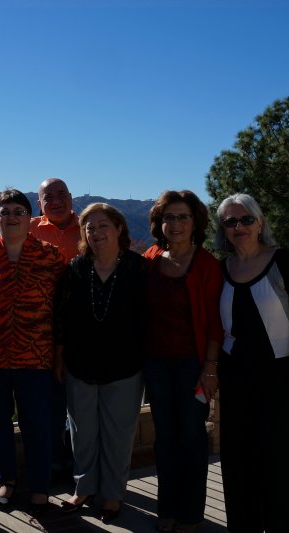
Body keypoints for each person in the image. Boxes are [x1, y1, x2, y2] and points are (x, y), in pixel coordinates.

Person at [215, 193, 289, 532]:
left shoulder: (280, 260)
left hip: (277, 376)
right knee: (237, 462)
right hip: (234, 376)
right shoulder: (221, 269)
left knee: (276, 464)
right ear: (223, 229)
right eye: (230, 221)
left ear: (260, 223)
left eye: (246, 219)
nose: (239, 226)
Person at [0, 188, 65, 512]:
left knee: (38, 424)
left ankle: (39, 485)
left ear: (30, 217)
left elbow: (63, 308)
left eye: (18, 211)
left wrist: (60, 354)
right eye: (4, 212)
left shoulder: (49, 256)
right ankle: (6, 480)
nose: (11, 217)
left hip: (36, 357)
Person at [54, 203, 148, 523]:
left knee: (118, 436)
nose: (96, 233)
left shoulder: (138, 268)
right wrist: (59, 358)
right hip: (80, 365)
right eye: (89, 227)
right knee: (82, 434)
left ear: (119, 228)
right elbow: (62, 317)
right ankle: (83, 488)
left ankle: (112, 494)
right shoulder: (76, 268)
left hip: (125, 367)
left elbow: (148, 318)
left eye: (103, 225)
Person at [142, 190, 224, 533]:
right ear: (160, 223)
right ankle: (167, 509)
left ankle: (190, 514)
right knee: (164, 438)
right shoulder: (150, 258)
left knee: (191, 438)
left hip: (193, 366)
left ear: (195, 223)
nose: (175, 224)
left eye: (183, 217)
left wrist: (210, 368)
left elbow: (216, 324)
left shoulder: (206, 265)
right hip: (156, 366)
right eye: (169, 217)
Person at [29, 177, 81, 478]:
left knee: (79, 400)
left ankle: (78, 462)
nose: (56, 201)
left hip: (82, 329)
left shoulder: (88, 227)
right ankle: (52, 460)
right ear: (40, 204)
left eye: (61, 194)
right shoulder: (29, 229)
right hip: (39, 330)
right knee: (48, 400)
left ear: (71, 197)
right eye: (49, 197)